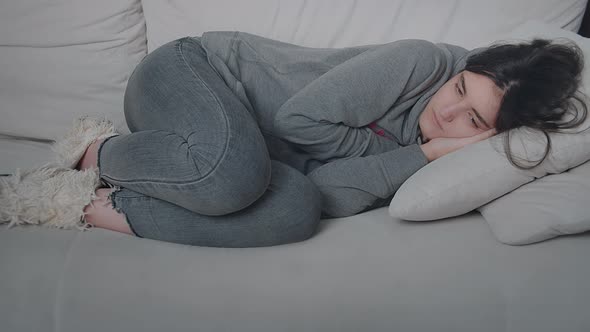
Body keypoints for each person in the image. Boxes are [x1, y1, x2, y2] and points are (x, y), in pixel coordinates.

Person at [1, 32, 586, 248]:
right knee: (234, 176)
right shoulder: (421, 62)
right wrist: (413, 153)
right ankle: (98, 151)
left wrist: (427, 154)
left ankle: (100, 204)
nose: (448, 107)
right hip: (192, 75)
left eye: (474, 122)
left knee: (298, 210)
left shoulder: (442, 162)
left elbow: (326, 190)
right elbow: (298, 126)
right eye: (461, 87)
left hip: (228, 151)